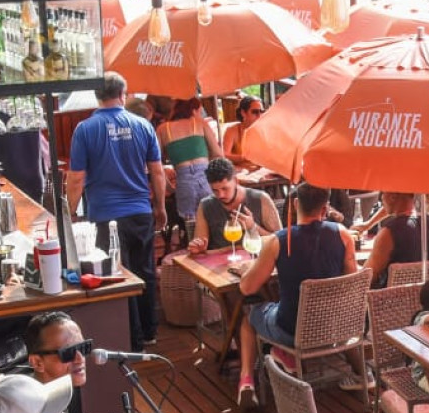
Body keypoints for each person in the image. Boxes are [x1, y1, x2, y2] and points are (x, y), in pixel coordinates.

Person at [233, 183, 357, 413]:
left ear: (295, 204)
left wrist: (247, 271)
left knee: (249, 315)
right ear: (325, 207)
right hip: (336, 328)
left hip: (292, 330)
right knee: (278, 309)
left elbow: (248, 288)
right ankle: (284, 356)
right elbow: (353, 282)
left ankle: (247, 379)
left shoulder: (278, 241)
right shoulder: (343, 235)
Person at [68, 73, 165, 351]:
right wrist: (159, 207)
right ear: (124, 94)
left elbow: (76, 178)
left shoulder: (85, 129)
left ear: (96, 96)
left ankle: (132, 339)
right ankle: (149, 331)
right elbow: (157, 172)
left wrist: (70, 213)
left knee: (119, 275)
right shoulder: (143, 126)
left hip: (105, 215)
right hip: (140, 211)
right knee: (144, 270)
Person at [189, 157, 281, 253]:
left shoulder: (261, 199)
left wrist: (253, 227)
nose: (220, 195)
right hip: (220, 263)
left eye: (225, 188)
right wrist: (199, 247)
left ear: (236, 181)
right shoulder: (205, 205)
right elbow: (200, 244)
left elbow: (280, 240)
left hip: (256, 260)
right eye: (215, 190)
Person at [363, 193, 429, 288]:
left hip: (395, 300)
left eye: (382, 193)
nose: (381, 198)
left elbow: (368, 276)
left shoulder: (388, 233)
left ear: (392, 197)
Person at [159, 97, 221, 228]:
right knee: (214, 221)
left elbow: (156, 165)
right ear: (193, 110)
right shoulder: (199, 123)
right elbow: (218, 154)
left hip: (184, 184)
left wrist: (169, 187)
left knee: (192, 228)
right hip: (206, 180)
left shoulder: (163, 129)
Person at [220, 95, 264, 162]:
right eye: (255, 112)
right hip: (241, 170)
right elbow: (224, 155)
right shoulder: (232, 130)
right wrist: (244, 158)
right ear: (243, 113)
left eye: (261, 111)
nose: (259, 115)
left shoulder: (263, 130)